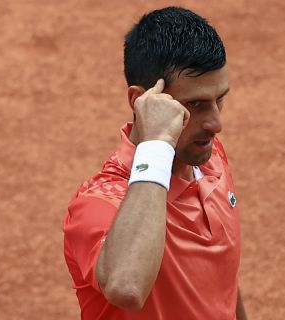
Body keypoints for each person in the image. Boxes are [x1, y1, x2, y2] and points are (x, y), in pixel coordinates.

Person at [63, 6, 248, 320]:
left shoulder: (210, 158)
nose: (216, 123)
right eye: (195, 104)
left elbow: (220, 285)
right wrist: (156, 147)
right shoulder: (99, 203)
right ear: (141, 101)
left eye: (220, 100)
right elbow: (127, 286)